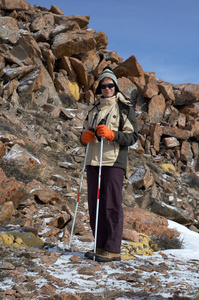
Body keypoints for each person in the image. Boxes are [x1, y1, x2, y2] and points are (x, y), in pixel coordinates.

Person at [80, 66, 138, 262]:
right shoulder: (93, 110)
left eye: (110, 85)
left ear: (115, 87)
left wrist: (113, 135)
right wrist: (84, 137)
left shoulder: (124, 108)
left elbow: (132, 137)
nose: (107, 88)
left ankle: (113, 249)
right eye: (104, 85)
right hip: (93, 160)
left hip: (113, 161)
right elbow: (83, 133)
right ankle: (100, 245)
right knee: (95, 204)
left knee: (112, 205)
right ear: (99, 88)